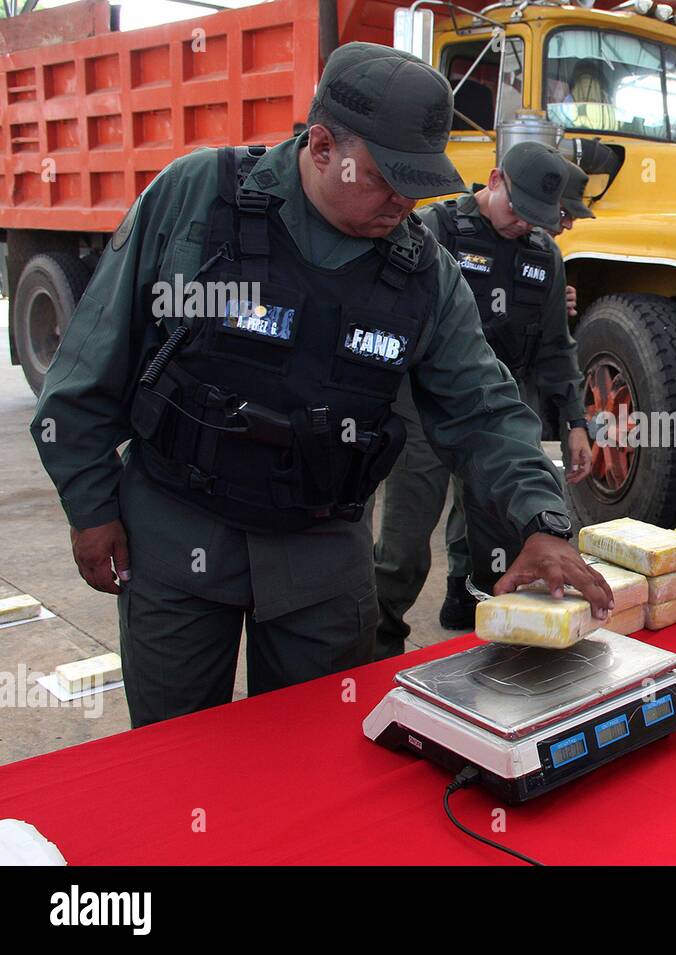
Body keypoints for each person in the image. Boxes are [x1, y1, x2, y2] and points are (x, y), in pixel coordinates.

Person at [30, 42, 612, 728]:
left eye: (418, 181)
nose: (405, 200)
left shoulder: (424, 272)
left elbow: (486, 410)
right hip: (175, 533)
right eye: (387, 177)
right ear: (322, 142)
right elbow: (89, 363)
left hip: (320, 558)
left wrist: (543, 524)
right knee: (174, 765)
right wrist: (90, 504)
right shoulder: (197, 199)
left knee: (317, 765)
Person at [372, 147, 593, 657]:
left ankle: (485, 624)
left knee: (495, 538)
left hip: (496, 410)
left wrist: (576, 423)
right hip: (424, 405)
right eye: (516, 210)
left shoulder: (544, 255)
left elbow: (558, 349)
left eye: (537, 219)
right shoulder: (435, 229)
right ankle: (376, 650)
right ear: (494, 180)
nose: (523, 226)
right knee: (404, 550)